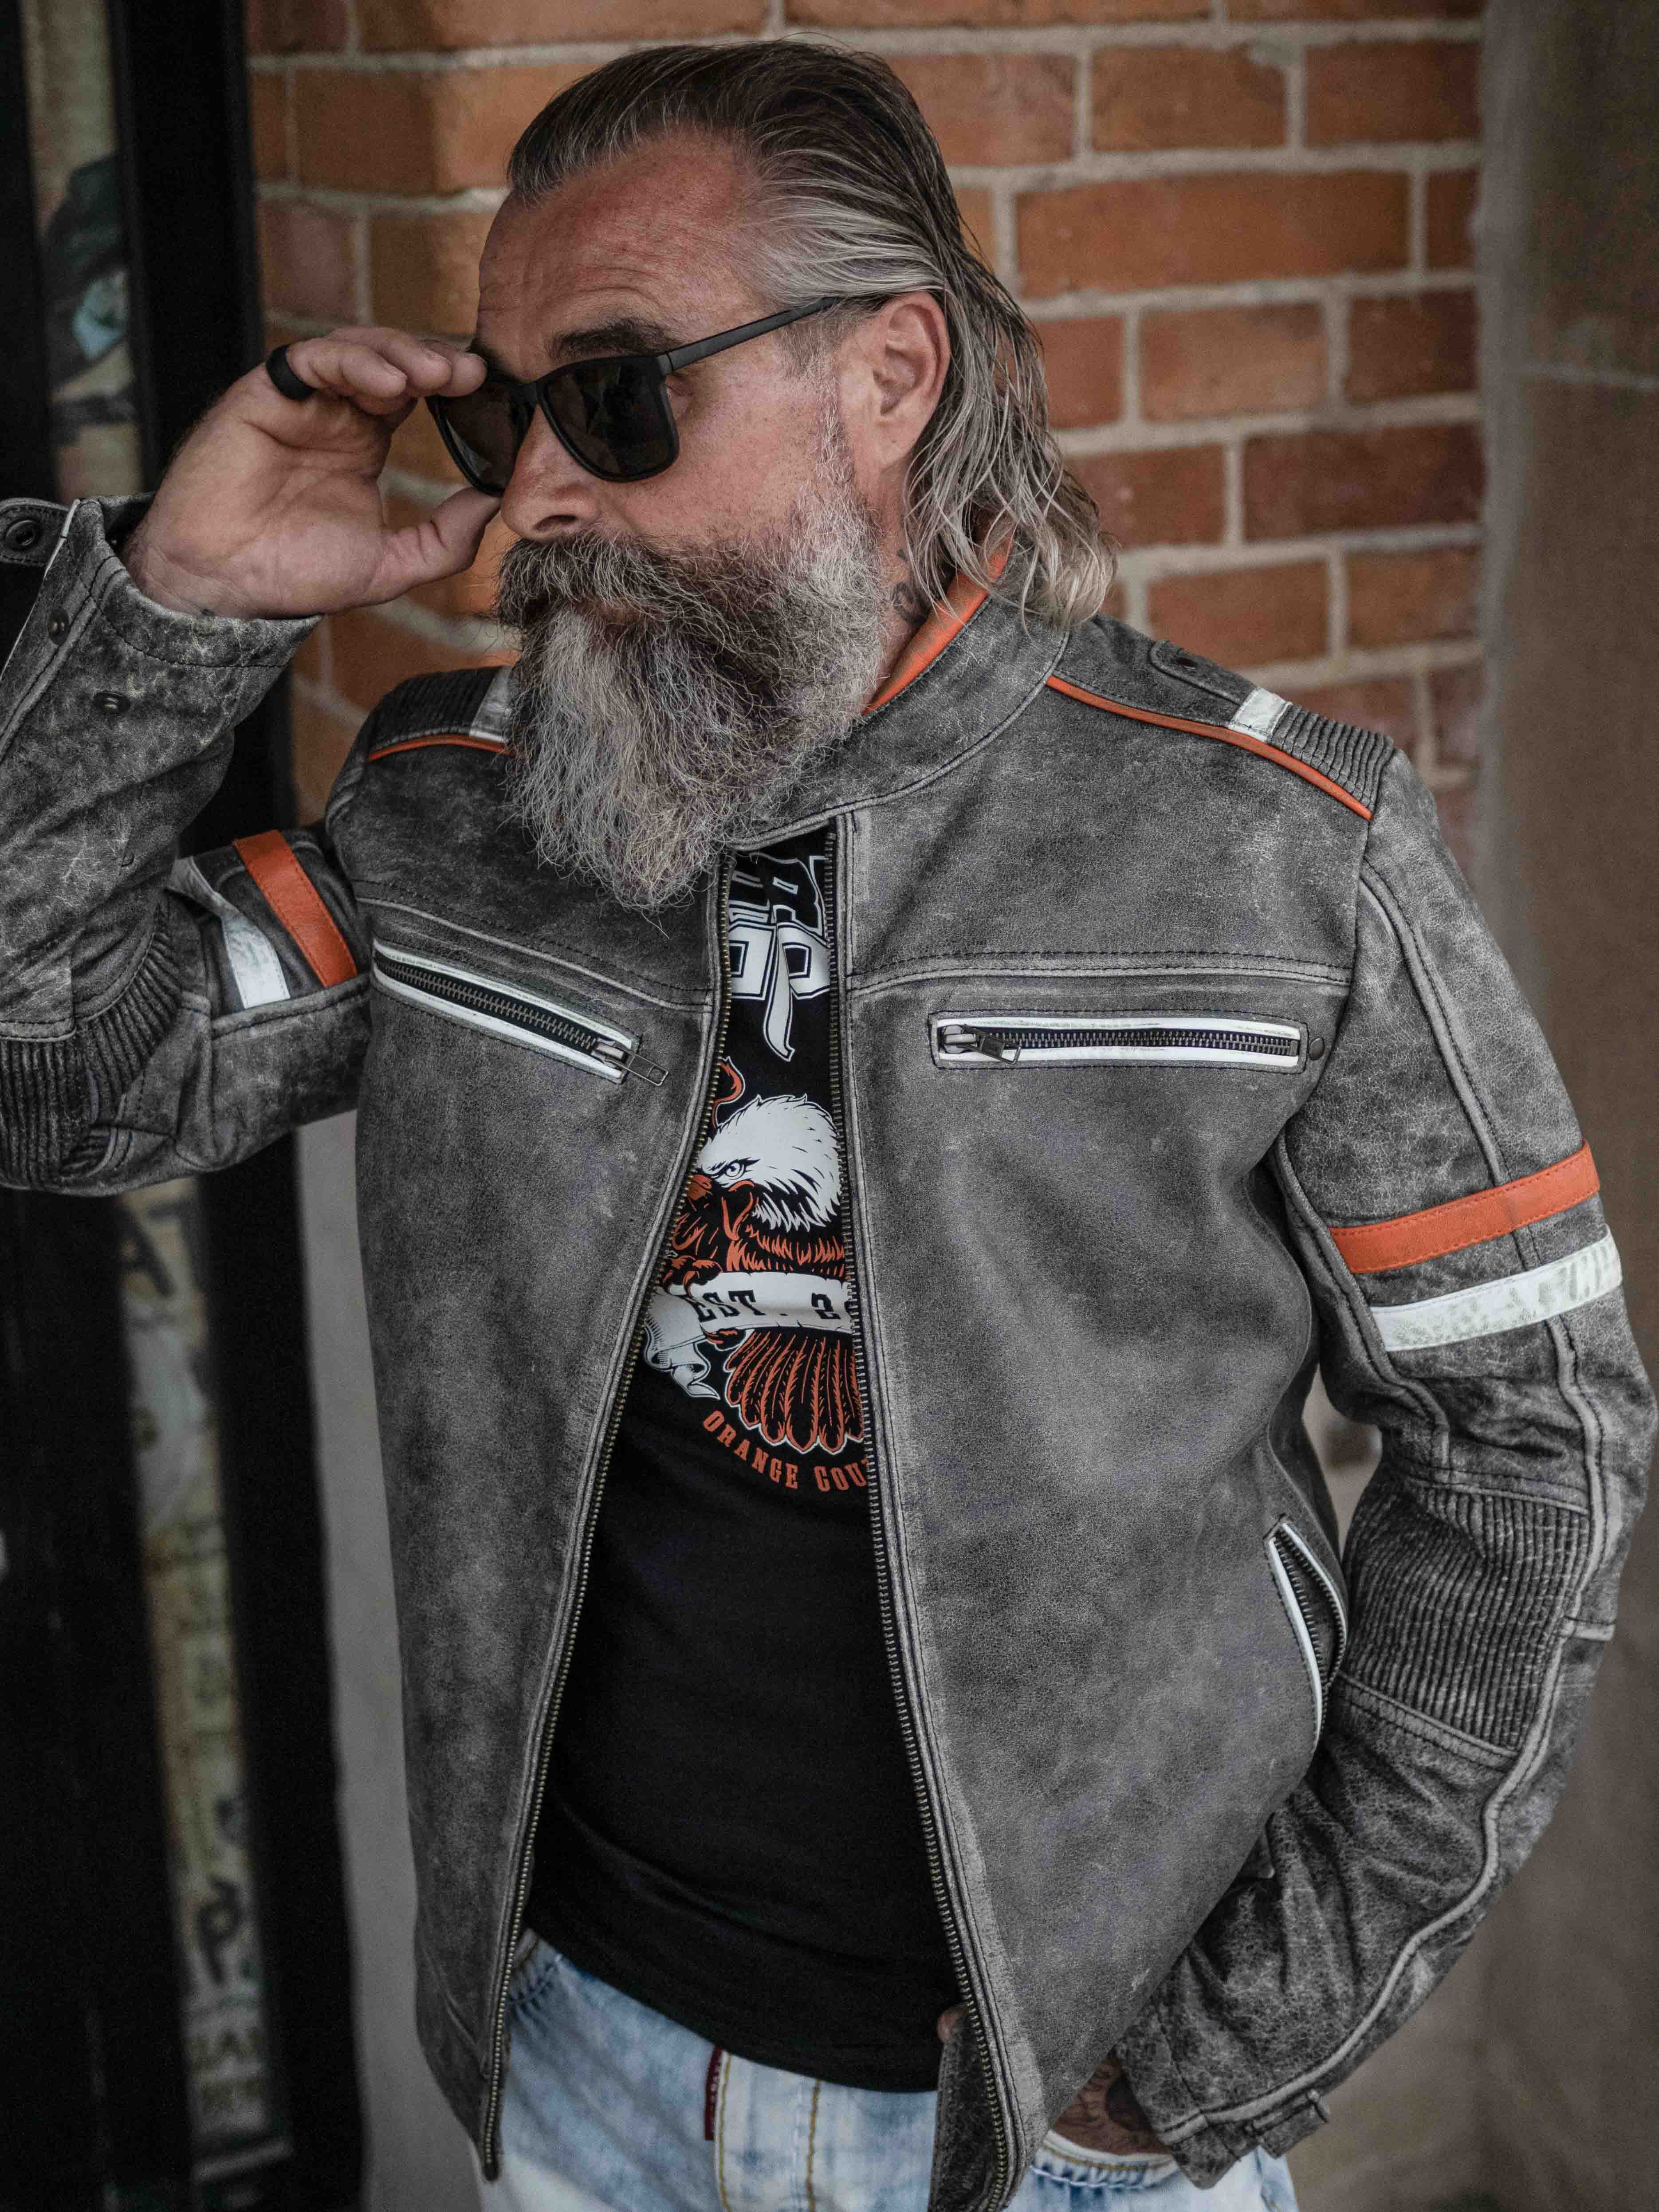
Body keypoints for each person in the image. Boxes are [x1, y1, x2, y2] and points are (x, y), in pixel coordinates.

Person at [0, 39, 1648, 2212]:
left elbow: (1531, 1440)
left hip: (1057, 2130)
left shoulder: (1265, 849)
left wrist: (1217, 2049)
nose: (536, 499)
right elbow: (64, 1068)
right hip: (582, 2063)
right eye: (504, 420)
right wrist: (175, 606)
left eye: (615, 398)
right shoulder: (454, 813)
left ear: (887, 374)